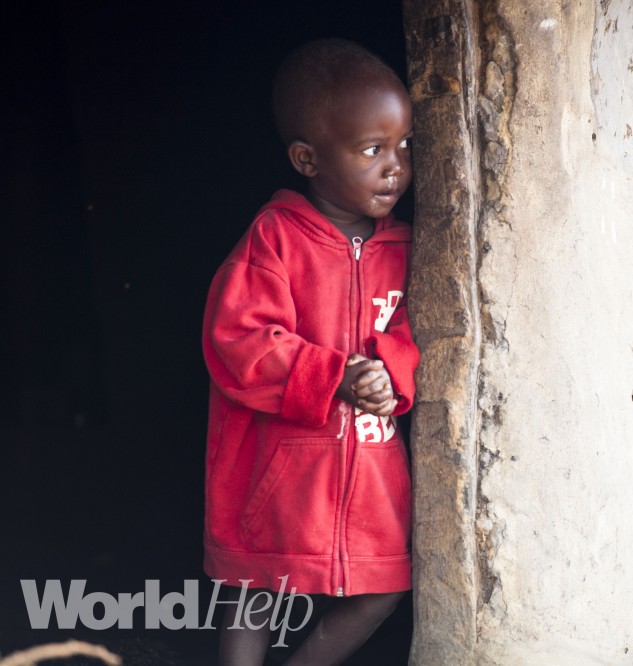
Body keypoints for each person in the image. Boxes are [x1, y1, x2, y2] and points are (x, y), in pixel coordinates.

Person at [200, 38, 419, 665]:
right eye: (372, 150)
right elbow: (237, 338)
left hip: (371, 469)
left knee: (383, 588)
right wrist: (334, 374)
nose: (395, 166)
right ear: (308, 158)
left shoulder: (409, 247)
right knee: (257, 589)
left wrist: (391, 374)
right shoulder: (276, 238)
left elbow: (419, 337)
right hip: (276, 470)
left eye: (404, 145)